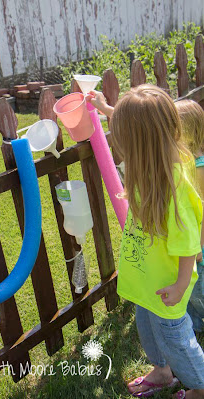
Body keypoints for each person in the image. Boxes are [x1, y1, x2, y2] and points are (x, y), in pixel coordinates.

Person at [88, 85, 204, 399]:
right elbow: (146, 123)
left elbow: (189, 245)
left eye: (123, 137)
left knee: (177, 340)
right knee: (148, 329)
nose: (119, 143)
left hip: (167, 286)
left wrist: (180, 285)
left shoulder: (173, 188)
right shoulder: (152, 166)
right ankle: (163, 372)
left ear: (139, 143)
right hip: (147, 281)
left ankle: (198, 388)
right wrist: (106, 108)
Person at [175, 99, 204, 333]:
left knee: (200, 290)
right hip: (191, 243)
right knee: (191, 293)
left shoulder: (200, 168)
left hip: (200, 249)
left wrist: (198, 247)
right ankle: (193, 328)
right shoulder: (186, 161)